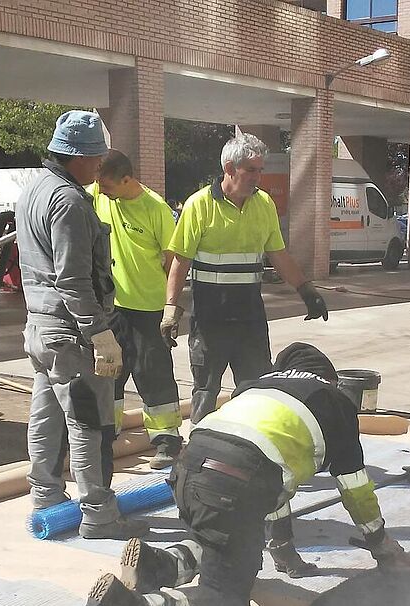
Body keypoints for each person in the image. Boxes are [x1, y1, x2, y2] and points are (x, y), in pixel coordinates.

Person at [64, 342, 406, 606]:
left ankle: (156, 565)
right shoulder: (335, 403)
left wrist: (282, 545)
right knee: (224, 599)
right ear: (328, 379)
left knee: (223, 538)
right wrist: (381, 544)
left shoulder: (255, 387)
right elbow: (355, 489)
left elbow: (271, 481)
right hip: (233, 485)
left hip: (186, 473)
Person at [16, 111, 143, 540]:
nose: (100, 167)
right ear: (79, 157)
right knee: (88, 423)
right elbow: (72, 279)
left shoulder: (35, 189)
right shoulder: (68, 201)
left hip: (41, 328)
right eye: (97, 159)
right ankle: (99, 516)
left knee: (47, 415)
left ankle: (46, 498)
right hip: (71, 333)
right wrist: (99, 332)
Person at [164, 132, 329, 424]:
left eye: (260, 170)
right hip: (210, 321)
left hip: (250, 320)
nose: (258, 177)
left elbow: (278, 254)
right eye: (251, 170)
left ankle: (252, 445)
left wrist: (306, 290)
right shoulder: (199, 205)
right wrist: (170, 310)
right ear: (229, 168)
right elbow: (181, 260)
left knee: (257, 390)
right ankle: (200, 445)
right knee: (205, 392)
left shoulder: (264, 204)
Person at [90, 149, 183, 469]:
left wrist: (171, 305)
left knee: (153, 373)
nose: (102, 191)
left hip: (149, 308)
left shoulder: (156, 209)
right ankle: (106, 432)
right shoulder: (98, 194)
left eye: (107, 186)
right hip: (111, 307)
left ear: (127, 179)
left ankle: (166, 440)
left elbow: (173, 260)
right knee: (109, 372)